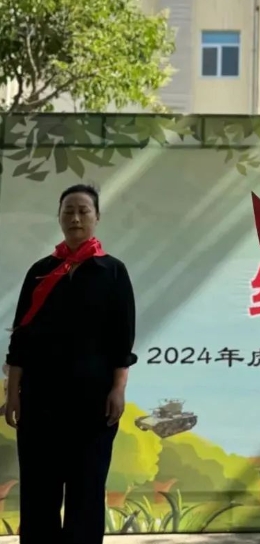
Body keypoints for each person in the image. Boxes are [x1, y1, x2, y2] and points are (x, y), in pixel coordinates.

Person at [4, 184, 137, 544]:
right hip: (39, 401)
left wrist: (118, 389)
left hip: (93, 402)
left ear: (97, 217)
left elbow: (122, 340)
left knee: (86, 490)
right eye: (68, 211)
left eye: (83, 210)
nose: (75, 218)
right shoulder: (40, 271)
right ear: (59, 217)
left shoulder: (113, 271)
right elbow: (20, 340)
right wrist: (12, 394)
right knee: (38, 491)